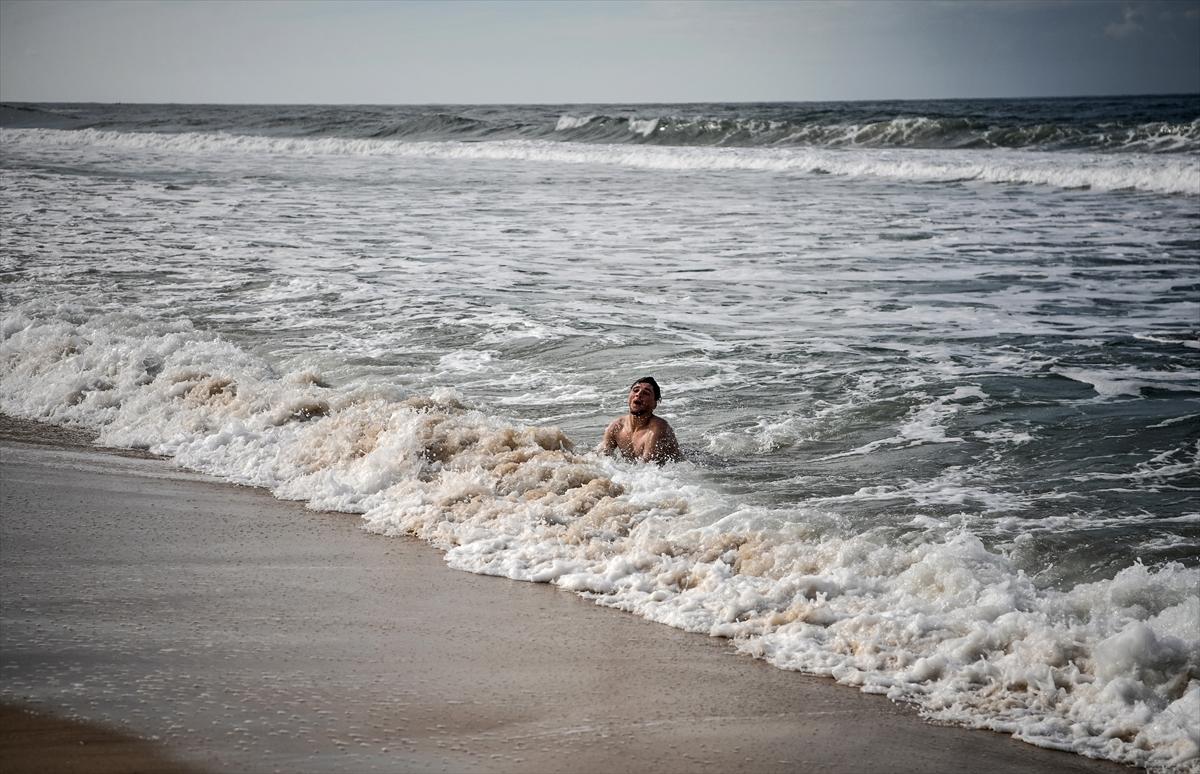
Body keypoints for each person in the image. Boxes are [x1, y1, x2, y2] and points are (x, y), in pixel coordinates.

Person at [599, 376, 683, 464]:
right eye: (635, 390)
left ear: (655, 404)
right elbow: (601, 458)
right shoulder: (617, 427)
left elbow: (648, 469)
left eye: (646, 393)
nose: (638, 394)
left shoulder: (657, 429)